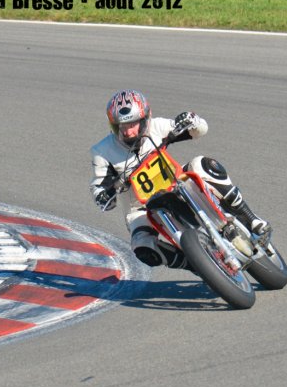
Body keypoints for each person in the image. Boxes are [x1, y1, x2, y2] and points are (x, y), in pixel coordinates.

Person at [90, 89, 270, 269]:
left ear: (145, 119)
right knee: (142, 246)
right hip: (140, 207)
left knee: (203, 164)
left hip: (177, 182)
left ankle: (252, 220)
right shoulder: (103, 151)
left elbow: (200, 130)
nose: (128, 132)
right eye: (121, 126)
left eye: (132, 124)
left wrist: (191, 120)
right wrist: (103, 195)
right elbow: (98, 188)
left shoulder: (156, 126)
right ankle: (196, 265)